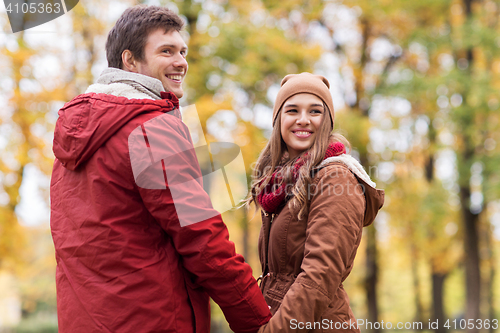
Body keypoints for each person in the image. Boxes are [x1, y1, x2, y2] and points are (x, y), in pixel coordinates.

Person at [50, 5, 271, 333]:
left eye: (183, 51)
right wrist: (259, 321)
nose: (180, 61)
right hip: (153, 321)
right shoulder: (152, 129)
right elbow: (203, 240)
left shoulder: (72, 142)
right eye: (166, 51)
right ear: (130, 60)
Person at [247, 73, 385, 332]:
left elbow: (320, 274)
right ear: (279, 120)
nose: (303, 120)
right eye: (292, 110)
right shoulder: (284, 181)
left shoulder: (334, 177)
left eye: (315, 111)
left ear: (328, 121)